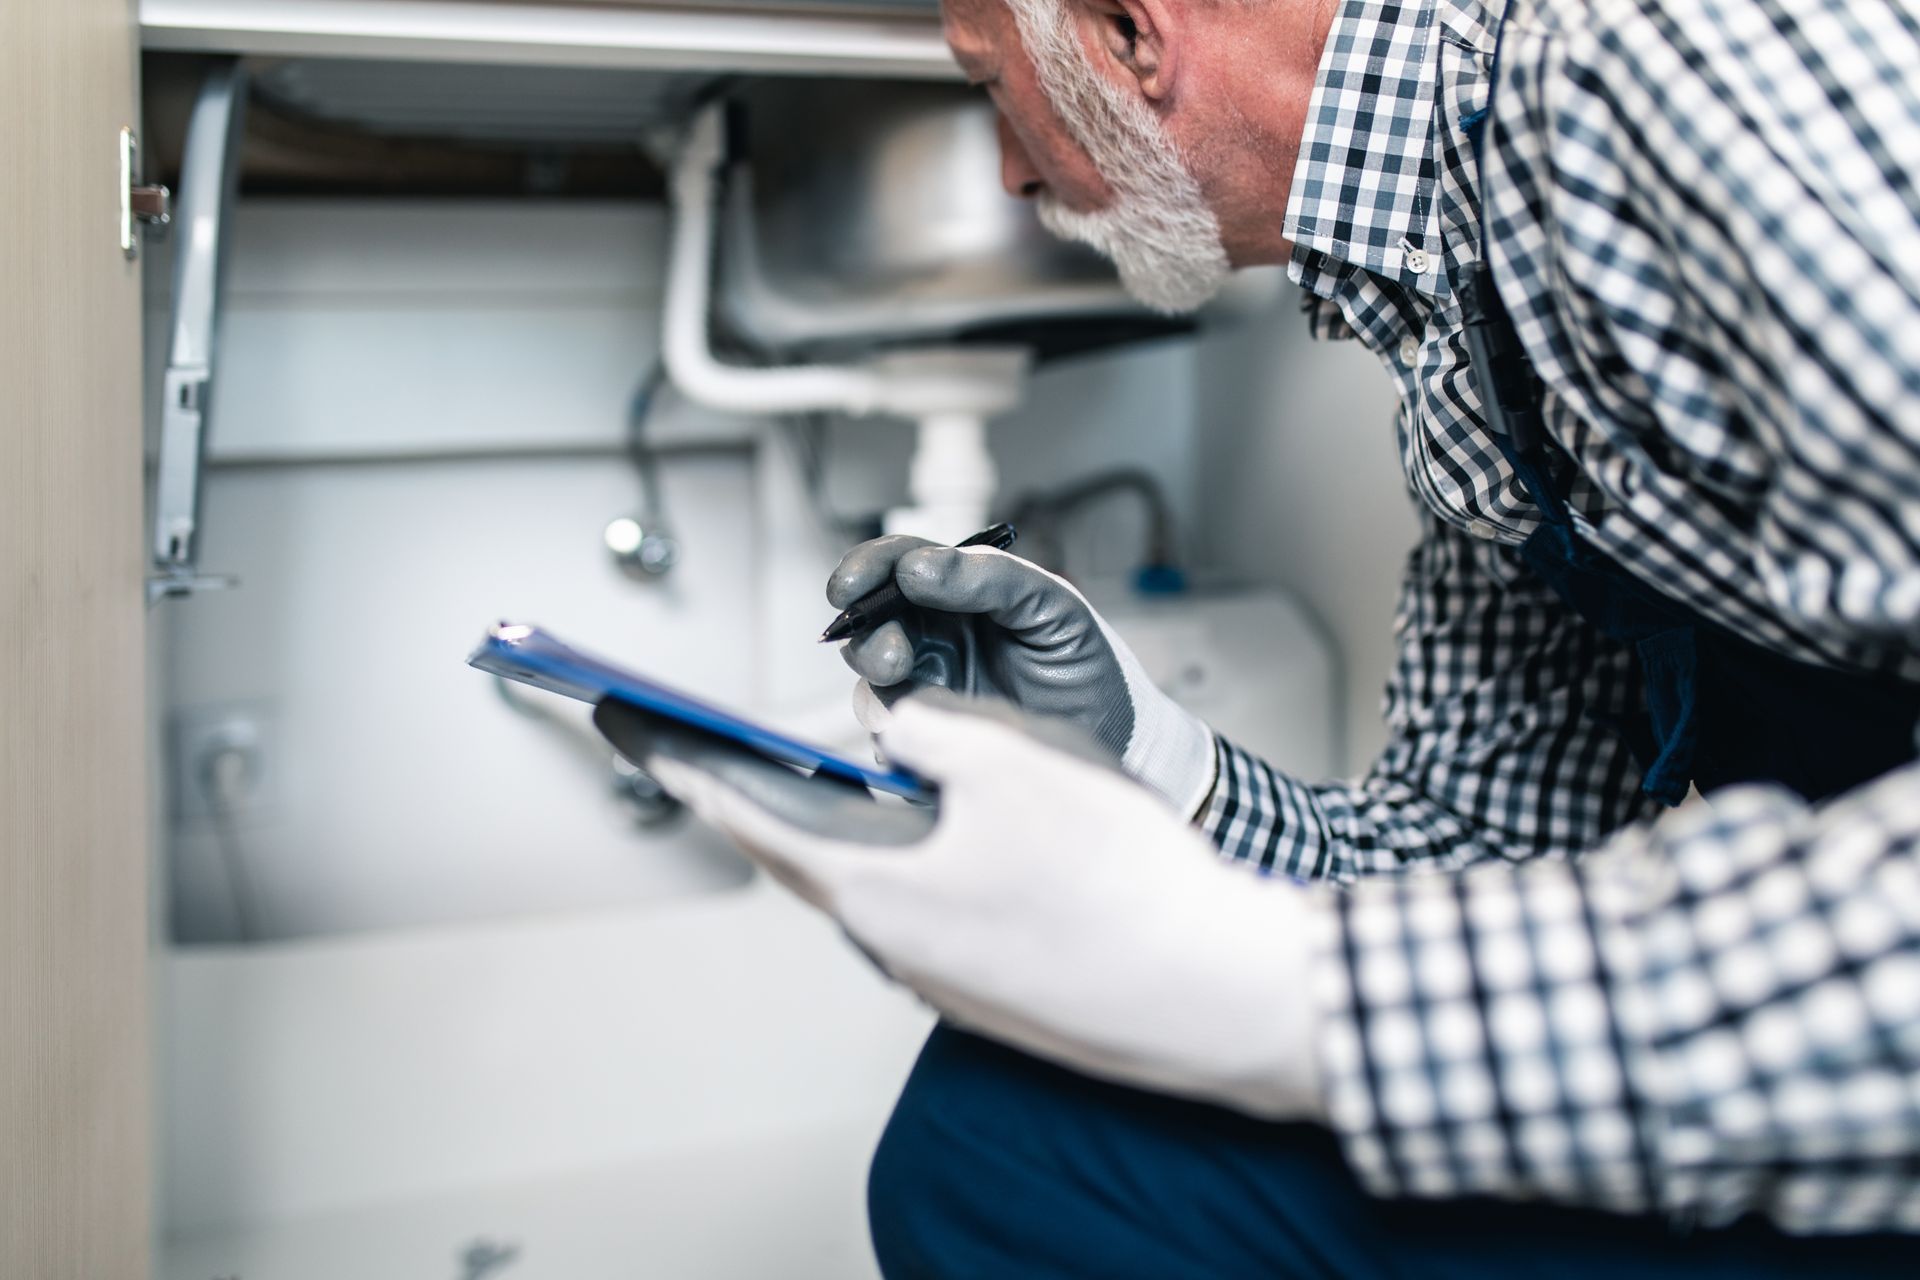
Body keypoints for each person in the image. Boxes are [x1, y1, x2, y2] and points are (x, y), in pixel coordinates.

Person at [597, 0, 1920, 1273]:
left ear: (1130, 28)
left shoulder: (1662, 55)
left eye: (993, 84)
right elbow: (1483, 848)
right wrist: (1155, 758)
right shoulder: (1458, 302)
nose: (1008, 169)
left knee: (1013, 1159)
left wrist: (1280, 996)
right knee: (1006, 1128)